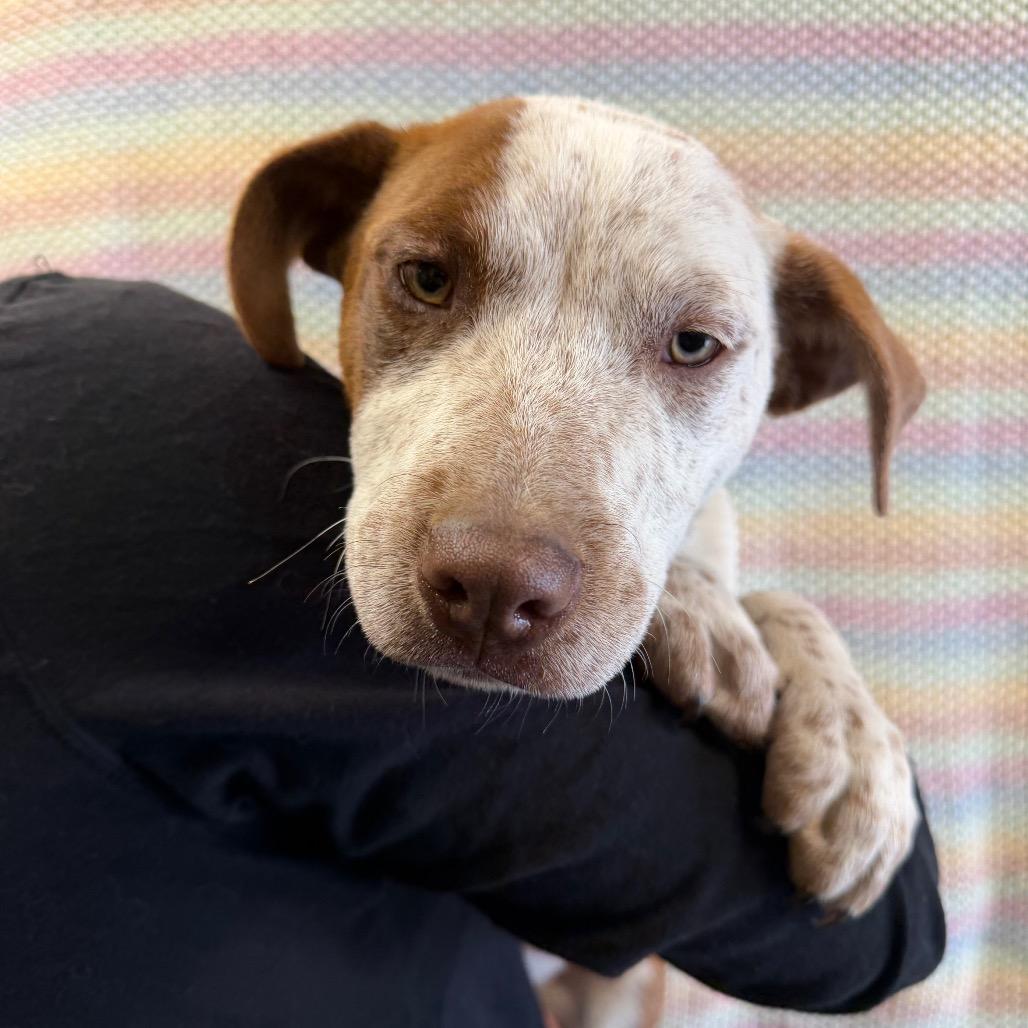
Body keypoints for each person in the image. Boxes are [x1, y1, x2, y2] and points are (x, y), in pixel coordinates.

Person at [0, 274, 945, 1027]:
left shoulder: (72, 388)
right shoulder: (124, 427)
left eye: (693, 345)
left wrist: (783, 631)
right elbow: (873, 933)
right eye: (427, 282)